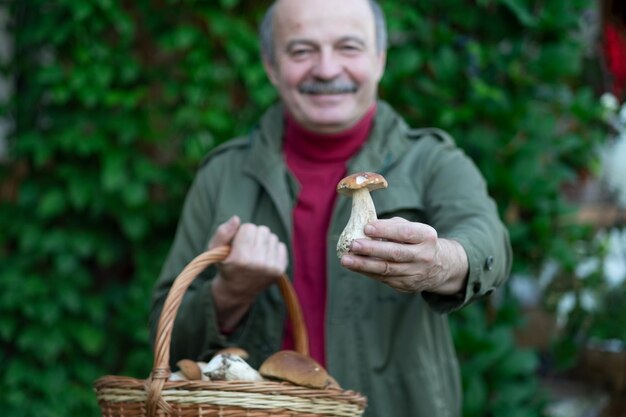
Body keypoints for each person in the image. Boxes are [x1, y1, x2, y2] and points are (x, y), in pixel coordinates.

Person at [149, 0, 512, 415]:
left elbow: (490, 244)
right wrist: (228, 294)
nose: (326, 69)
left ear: (379, 59)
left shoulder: (433, 160)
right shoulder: (222, 173)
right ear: (271, 65)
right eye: (301, 51)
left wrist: (439, 264)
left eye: (349, 48)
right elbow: (167, 338)